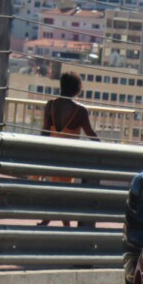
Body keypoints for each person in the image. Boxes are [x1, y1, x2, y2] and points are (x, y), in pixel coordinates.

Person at [39, 71, 99, 226]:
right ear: (77, 89)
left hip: (52, 154)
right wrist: (104, 147)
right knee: (64, 190)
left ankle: (49, 220)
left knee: (55, 189)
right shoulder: (80, 111)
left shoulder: (50, 105)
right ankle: (65, 224)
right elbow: (90, 133)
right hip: (69, 157)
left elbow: (45, 131)